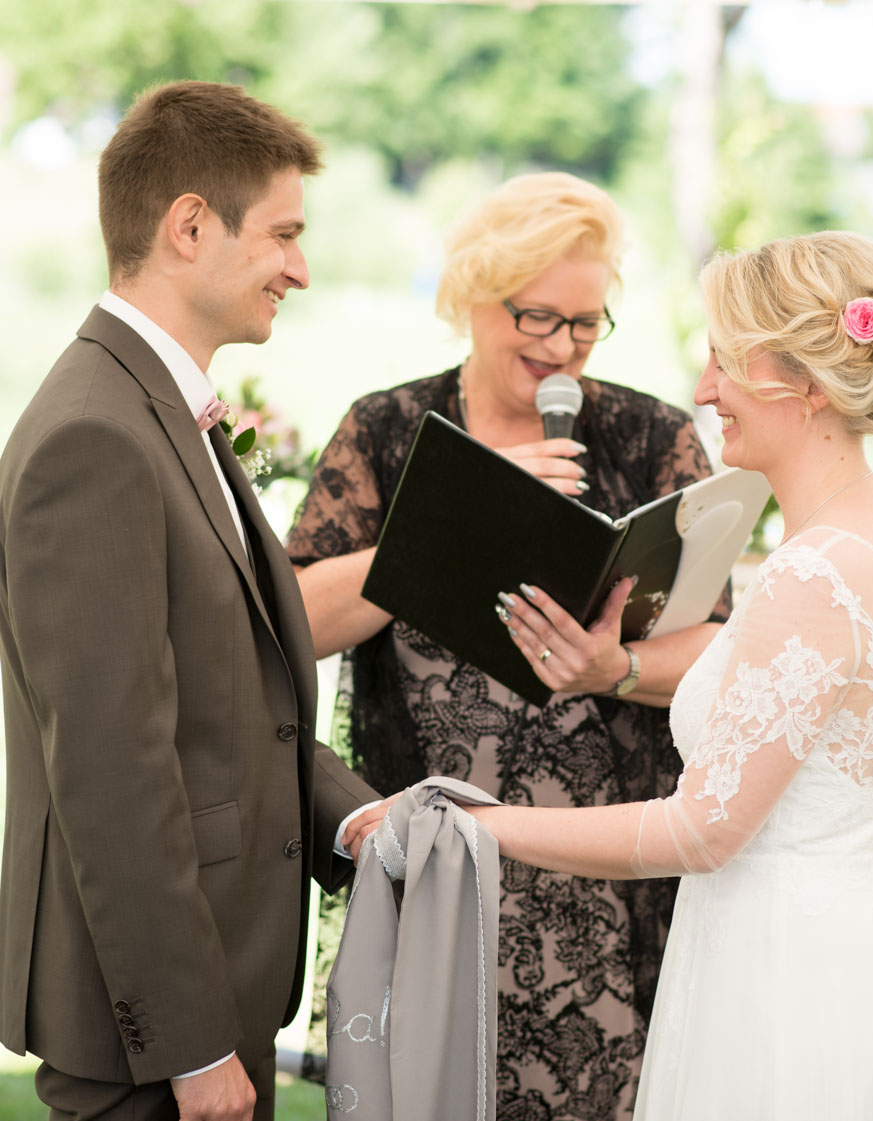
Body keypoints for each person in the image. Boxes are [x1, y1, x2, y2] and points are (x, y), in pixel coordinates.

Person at [464, 231, 873, 1119]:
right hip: (825, 939)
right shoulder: (856, 528)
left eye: (725, 362)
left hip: (783, 980)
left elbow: (700, 832)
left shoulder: (818, 571)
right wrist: (615, 667)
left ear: (805, 384)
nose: (702, 391)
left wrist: (485, 830)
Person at [286, 172, 727, 1117]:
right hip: (439, 874)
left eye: (585, 322)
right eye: (536, 317)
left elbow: (721, 654)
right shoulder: (388, 431)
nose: (561, 348)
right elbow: (295, 621)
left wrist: (621, 668)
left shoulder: (650, 437)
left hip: (606, 896)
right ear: (472, 296)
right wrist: (455, 519)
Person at [0, 81, 382, 1121]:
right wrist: (193, 1042)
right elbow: (114, 767)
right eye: (284, 234)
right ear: (191, 226)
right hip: (150, 1029)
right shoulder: (96, 439)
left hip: (212, 979)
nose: (301, 267)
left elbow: (232, 696)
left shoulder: (161, 407)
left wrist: (354, 819)